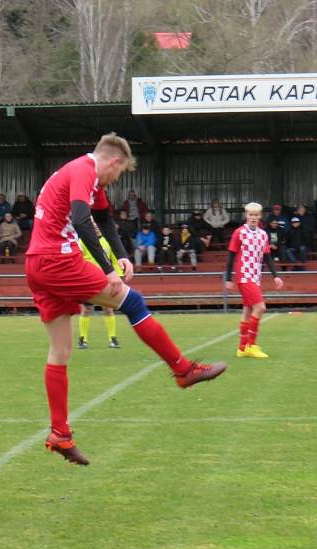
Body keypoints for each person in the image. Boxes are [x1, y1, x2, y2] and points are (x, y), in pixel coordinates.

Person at [25, 132, 226, 466]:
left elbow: (103, 219)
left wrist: (122, 256)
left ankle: (60, 434)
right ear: (113, 162)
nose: (114, 181)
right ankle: (182, 370)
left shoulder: (88, 178)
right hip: (57, 261)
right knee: (132, 302)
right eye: (117, 174)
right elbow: (79, 219)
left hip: (38, 264)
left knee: (60, 351)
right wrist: (107, 270)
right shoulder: (85, 171)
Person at [224, 202, 283, 358]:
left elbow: (267, 257)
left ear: (260, 216)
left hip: (256, 276)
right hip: (244, 275)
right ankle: (252, 344)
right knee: (260, 308)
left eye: (256, 215)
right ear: (246, 216)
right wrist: (228, 278)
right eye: (250, 215)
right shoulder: (239, 233)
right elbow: (230, 256)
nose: (253, 217)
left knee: (248, 310)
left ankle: (242, 348)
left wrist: (276, 275)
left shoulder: (263, 234)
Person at [78, 226, 123, 349]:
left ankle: (112, 339)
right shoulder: (82, 241)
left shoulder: (108, 241)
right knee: (86, 310)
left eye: (97, 224)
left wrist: (119, 276)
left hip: (105, 279)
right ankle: (83, 339)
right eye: (92, 225)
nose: (96, 227)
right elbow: (77, 261)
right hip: (88, 281)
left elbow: (114, 261)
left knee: (108, 309)